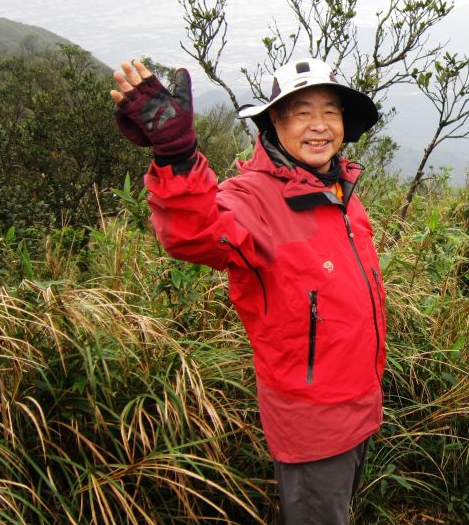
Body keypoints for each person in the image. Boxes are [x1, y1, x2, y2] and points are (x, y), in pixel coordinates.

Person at [110, 57, 386, 524]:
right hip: (312, 423)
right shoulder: (253, 197)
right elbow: (194, 233)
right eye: (302, 112)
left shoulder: (341, 193)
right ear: (274, 121)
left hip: (362, 405)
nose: (319, 125)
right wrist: (177, 155)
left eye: (330, 111)